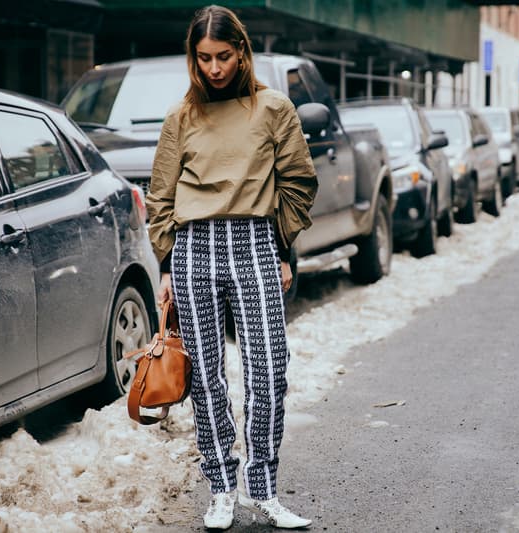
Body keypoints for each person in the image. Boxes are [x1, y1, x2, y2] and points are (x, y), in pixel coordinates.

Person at [146, 5, 318, 529]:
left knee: (269, 371)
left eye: (223, 56)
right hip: (194, 248)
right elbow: (161, 194)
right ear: (193, 58)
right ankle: (221, 489)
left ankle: (262, 489)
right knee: (206, 378)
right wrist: (167, 264)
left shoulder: (274, 108)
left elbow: (298, 182)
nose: (215, 68)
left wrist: (282, 249)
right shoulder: (181, 116)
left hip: (254, 243)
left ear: (242, 51)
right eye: (204, 58)